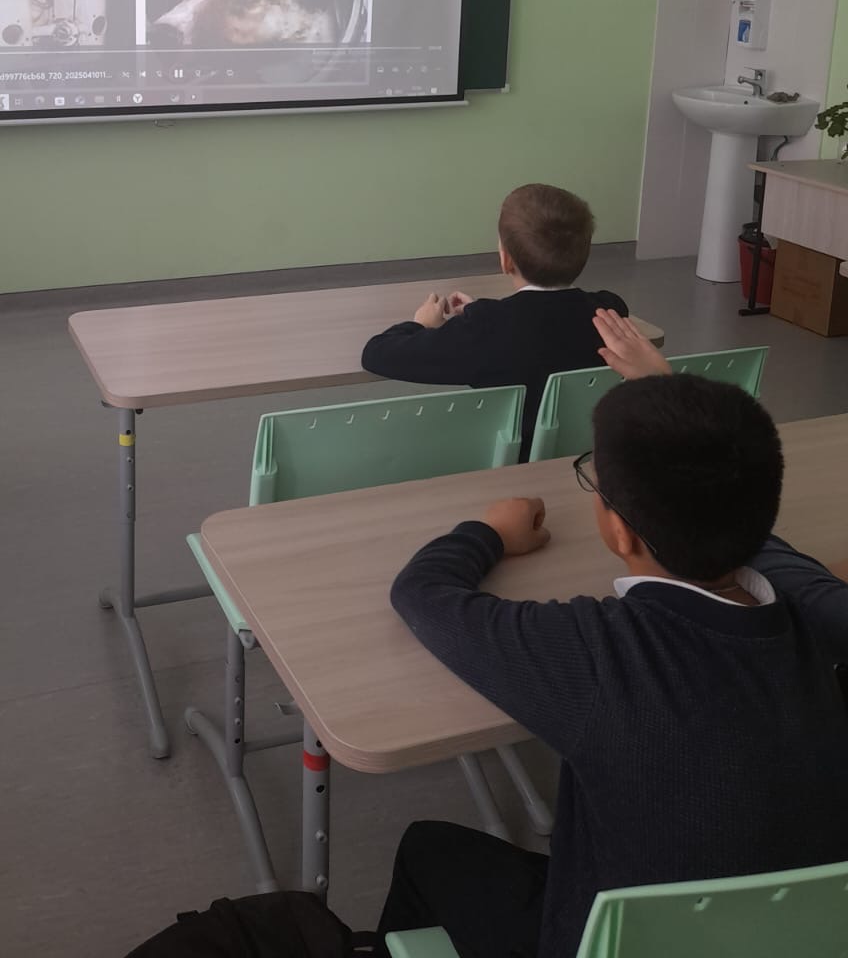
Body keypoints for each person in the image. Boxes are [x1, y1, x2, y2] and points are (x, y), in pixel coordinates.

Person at [376, 373, 848, 958]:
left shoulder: (596, 651)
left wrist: (488, 531)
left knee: (429, 848)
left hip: (606, 941)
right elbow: (790, 566)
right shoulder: (825, 623)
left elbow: (422, 594)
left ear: (619, 530)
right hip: (799, 933)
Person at [361, 184, 629, 457]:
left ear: (506, 260)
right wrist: (480, 311)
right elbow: (551, 322)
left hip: (509, 460)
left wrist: (422, 325)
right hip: (585, 455)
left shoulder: (484, 329)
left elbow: (376, 354)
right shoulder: (608, 312)